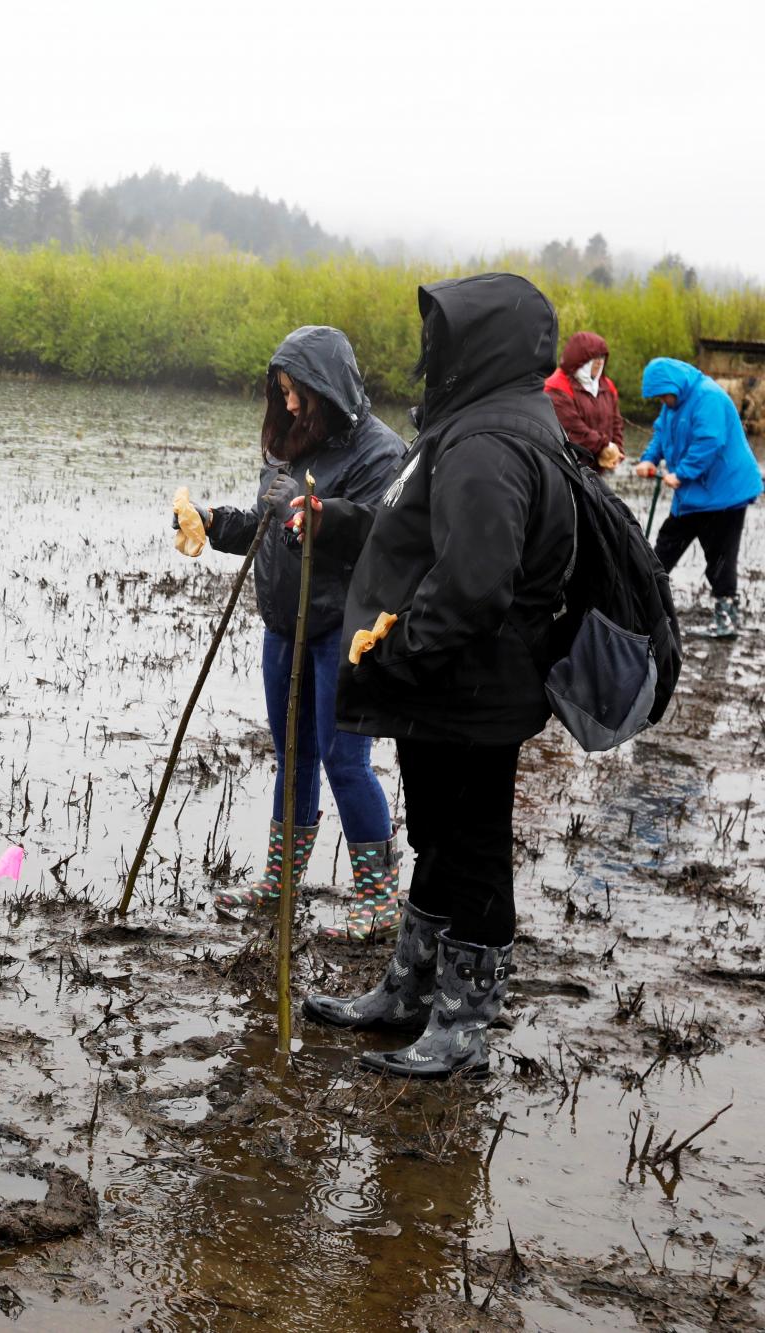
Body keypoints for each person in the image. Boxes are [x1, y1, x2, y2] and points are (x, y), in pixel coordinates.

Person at [297, 273, 576, 1079]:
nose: (432, 352)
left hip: (472, 687)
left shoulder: (490, 442)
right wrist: (343, 521)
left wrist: (397, 650)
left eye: (445, 336)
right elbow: (411, 529)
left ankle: (461, 1025)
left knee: (474, 846)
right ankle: (408, 990)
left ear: (482, 343)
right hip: (451, 688)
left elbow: (476, 584)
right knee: (442, 839)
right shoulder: (476, 423)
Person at [183, 328, 406, 941]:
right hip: (284, 627)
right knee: (292, 754)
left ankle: (379, 901)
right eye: (280, 392)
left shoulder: (380, 454)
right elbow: (264, 521)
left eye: (297, 394)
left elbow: (385, 539)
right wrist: (211, 523)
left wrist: (316, 520)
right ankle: (282, 882)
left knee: (344, 759)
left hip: (344, 627)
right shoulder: (289, 443)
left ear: (327, 390)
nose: (287, 406)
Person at [634, 357, 761, 639]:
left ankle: (726, 619)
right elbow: (660, 434)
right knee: (665, 546)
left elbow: (709, 441)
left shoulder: (708, 396)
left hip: (725, 494)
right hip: (694, 494)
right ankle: (641, 606)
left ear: (674, 385)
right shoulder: (672, 406)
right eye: (659, 397)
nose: (663, 401)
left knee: (720, 556)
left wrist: (681, 474)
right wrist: (649, 459)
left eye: (664, 395)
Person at [542, 331, 625, 470]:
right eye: (594, 357)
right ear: (580, 359)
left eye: (602, 356)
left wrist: (616, 449)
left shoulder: (607, 386)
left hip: (598, 466)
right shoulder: (557, 386)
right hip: (566, 468)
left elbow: (616, 422)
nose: (600, 361)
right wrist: (604, 447)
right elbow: (573, 429)